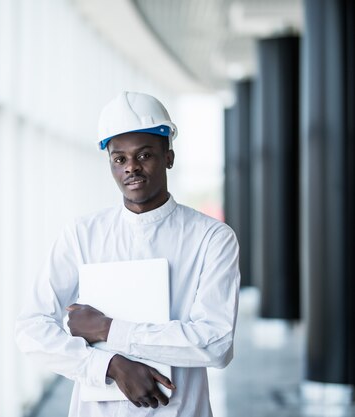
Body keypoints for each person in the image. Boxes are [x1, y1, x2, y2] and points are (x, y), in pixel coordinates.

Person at [15, 91, 240, 417]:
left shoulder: (211, 238)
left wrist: (108, 329)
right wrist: (109, 365)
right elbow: (31, 328)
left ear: (168, 157)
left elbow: (216, 343)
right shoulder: (82, 234)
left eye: (144, 155)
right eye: (119, 159)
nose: (131, 167)